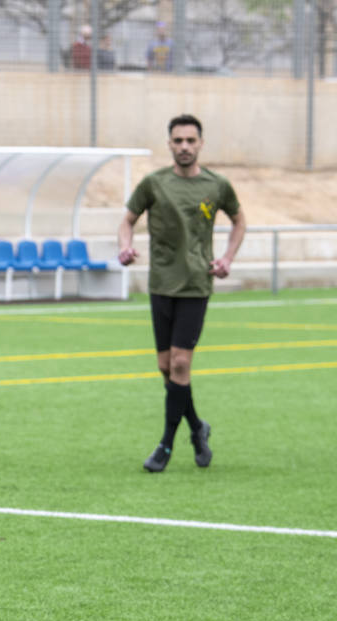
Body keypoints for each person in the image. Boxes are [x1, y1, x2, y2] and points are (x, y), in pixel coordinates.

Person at [117, 114, 246, 472]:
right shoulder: (153, 184)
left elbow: (239, 220)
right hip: (161, 283)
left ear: (201, 143)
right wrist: (125, 248)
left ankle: (165, 447)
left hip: (195, 284)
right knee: (167, 367)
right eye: (178, 141)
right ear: (169, 144)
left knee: (180, 363)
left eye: (191, 140)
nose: (185, 147)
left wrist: (227, 258)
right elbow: (127, 219)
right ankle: (197, 426)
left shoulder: (217, 185)